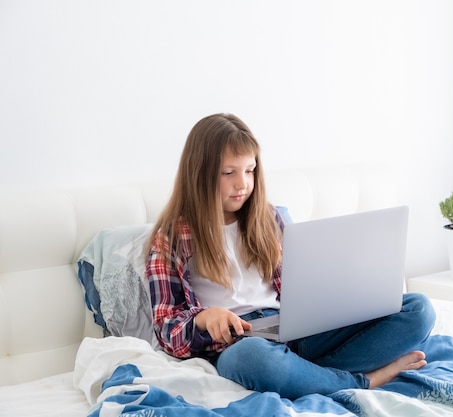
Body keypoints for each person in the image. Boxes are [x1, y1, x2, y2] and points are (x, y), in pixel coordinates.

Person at [146, 113, 436, 399]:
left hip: (297, 329)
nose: (243, 184)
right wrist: (205, 319)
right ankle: (363, 380)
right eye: (228, 172)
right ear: (199, 173)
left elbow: (304, 285)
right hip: (241, 343)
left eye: (250, 170)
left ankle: (304, 376)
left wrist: (342, 293)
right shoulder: (171, 236)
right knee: (252, 359)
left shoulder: (270, 218)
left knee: (419, 309)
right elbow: (165, 329)